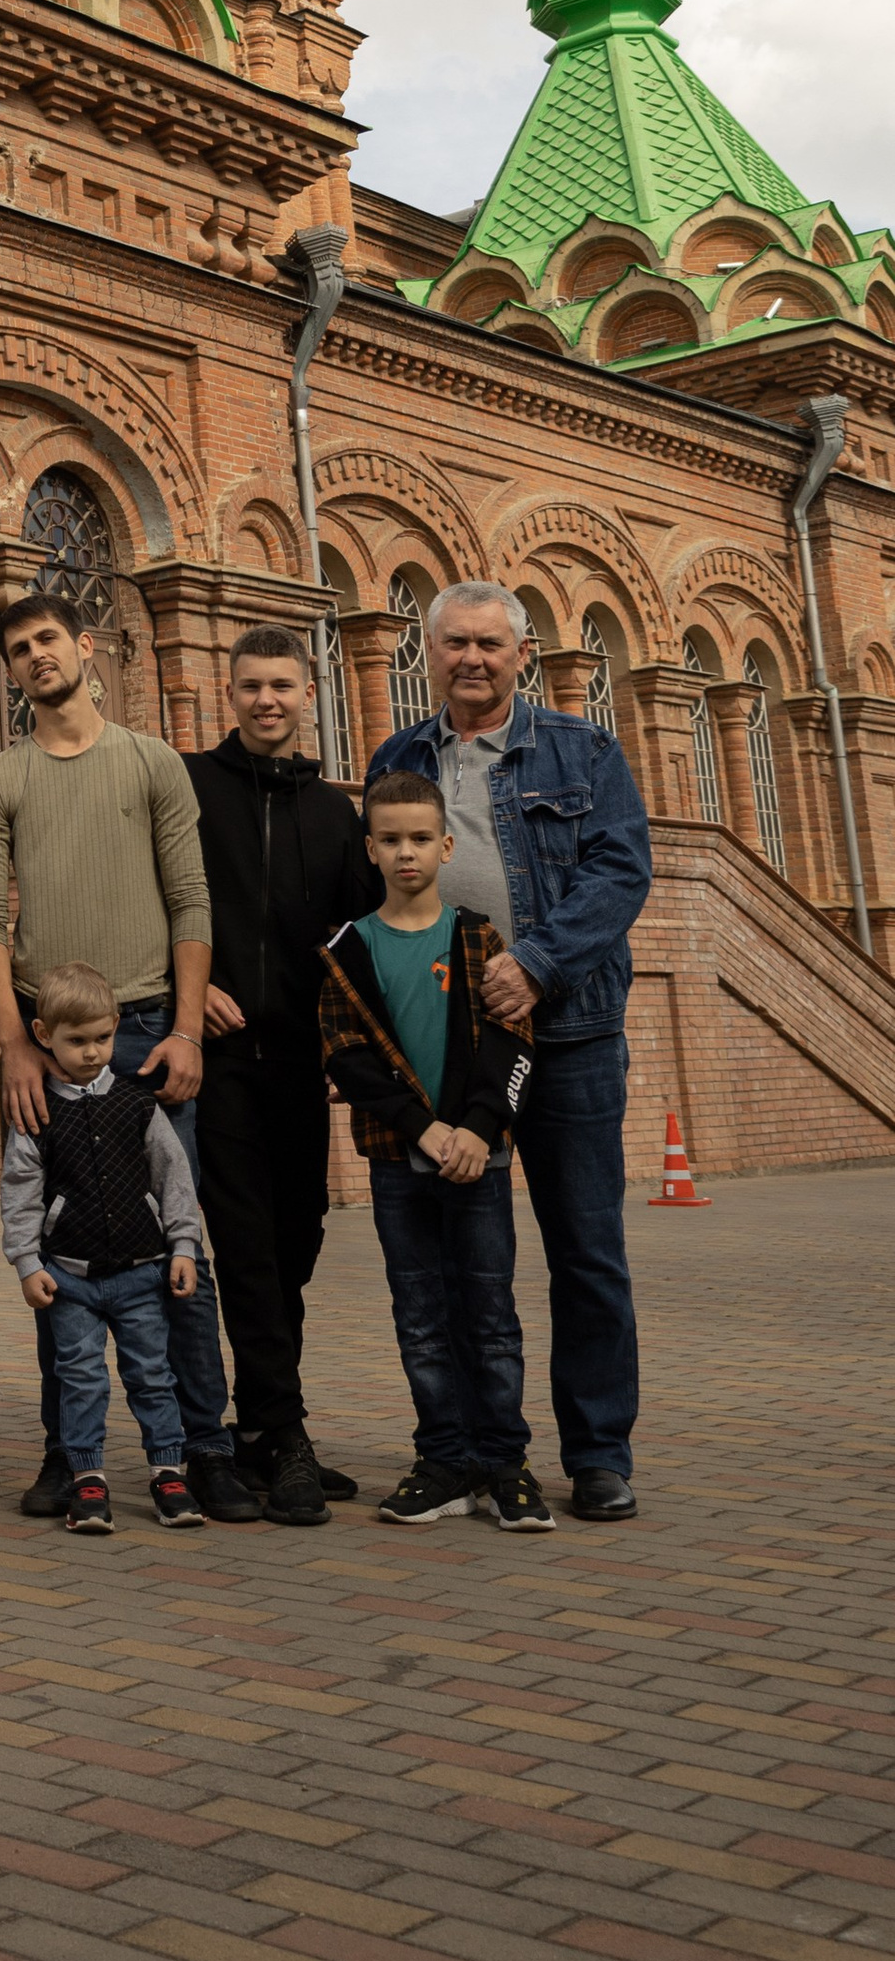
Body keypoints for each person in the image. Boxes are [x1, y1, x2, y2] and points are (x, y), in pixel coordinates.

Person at [0, 580, 260, 1524]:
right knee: (65, 1247)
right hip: (54, 1039)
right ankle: (68, 1453)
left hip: (146, 1033)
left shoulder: (150, 763)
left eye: (49, 639)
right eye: (19, 650)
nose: (37, 657)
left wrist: (181, 1027)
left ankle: (204, 1449)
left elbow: (191, 900)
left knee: (178, 1242)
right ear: (11, 672)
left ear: (85, 646)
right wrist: (15, 1042)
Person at [366, 580, 653, 1521]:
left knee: (586, 1249)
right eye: (454, 643)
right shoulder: (398, 757)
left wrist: (534, 963)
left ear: (522, 654)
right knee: (461, 1263)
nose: (472, 659)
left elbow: (620, 871)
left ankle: (599, 1454)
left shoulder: (583, 749)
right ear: (429, 650)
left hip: (564, 1032)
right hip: (446, 1050)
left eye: (491, 644)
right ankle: (475, 1451)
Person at [184, 624, 380, 1526]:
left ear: (309, 697)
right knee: (249, 1246)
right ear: (230, 694)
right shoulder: (189, 789)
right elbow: (159, 895)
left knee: (297, 1242)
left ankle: (265, 1428)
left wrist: (353, 1047)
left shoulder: (336, 815)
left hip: (302, 1065)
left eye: (283, 687)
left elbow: (360, 942)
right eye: (252, 685)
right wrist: (199, 989)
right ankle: (282, 1429)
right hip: (219, 1060)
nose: (267, 700)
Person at [319, 772, 546, 1530]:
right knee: (420, 1314)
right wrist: (425, 1128)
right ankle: (445, 1461)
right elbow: (348, 1057)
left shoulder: (479, 937)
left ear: (447, 846)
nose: (406, 852)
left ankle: (504, 1464)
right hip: (398, 1162)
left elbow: (513, 1041)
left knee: (489, 1313)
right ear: (370, 850)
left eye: (420, 838)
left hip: (480, 1163)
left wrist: (478, 1130)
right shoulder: (347, 951)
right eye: (390, 840)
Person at [0, 961, 207, 1534]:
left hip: (144, 1276)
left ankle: (169, 1473)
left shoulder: (140, 1105)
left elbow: (174, 1179)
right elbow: (20, 1192)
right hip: (70, 1282)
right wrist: (25, 1262)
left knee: (152, 1376)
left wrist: (184, 1246)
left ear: (116, 1026)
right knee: (81, 1378)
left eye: (102, 1038)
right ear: (44, 1035)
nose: (92, 1052)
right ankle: (87, 1480)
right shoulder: (37, 1112)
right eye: (76, 1041)